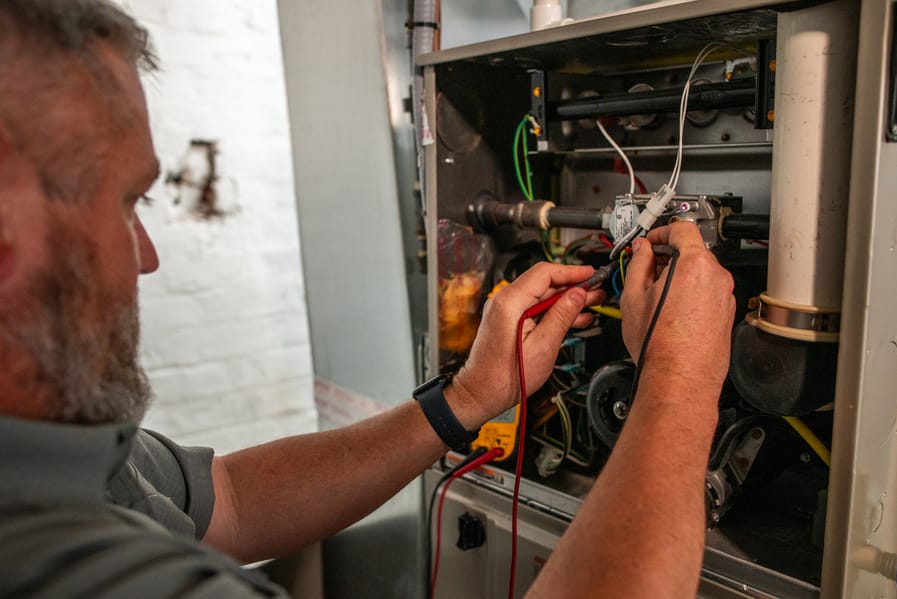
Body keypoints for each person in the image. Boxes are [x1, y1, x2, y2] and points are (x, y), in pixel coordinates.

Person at [0, 1, 735, 597]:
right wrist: (679, 373)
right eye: (128, 203)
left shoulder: (70, 458)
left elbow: (233, 498)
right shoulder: (77, 566)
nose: (149, 256)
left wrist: (469, 397)